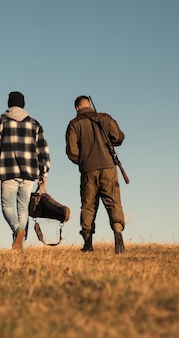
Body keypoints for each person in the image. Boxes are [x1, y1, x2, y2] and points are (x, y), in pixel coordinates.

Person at [0, 91, 51, 251]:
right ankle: (21, 247)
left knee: (7, 207)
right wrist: (44, 172)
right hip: (29, 173)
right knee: (23, 208)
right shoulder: (35, 124)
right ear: (23, 104)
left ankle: (17, 230)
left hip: (8, 171)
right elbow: (43, 150)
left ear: (9, 104)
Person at [65, 95, 126, 254]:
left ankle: (87, 244)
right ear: (89, 105)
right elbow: (119, 137)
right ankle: (118, 236)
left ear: (77, 108)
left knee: (88, 206)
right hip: (108, 168)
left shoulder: (74, 124)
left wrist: (83, 161)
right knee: (113, 202)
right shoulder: (104, 118)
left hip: (88, 171)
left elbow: (71, 152)